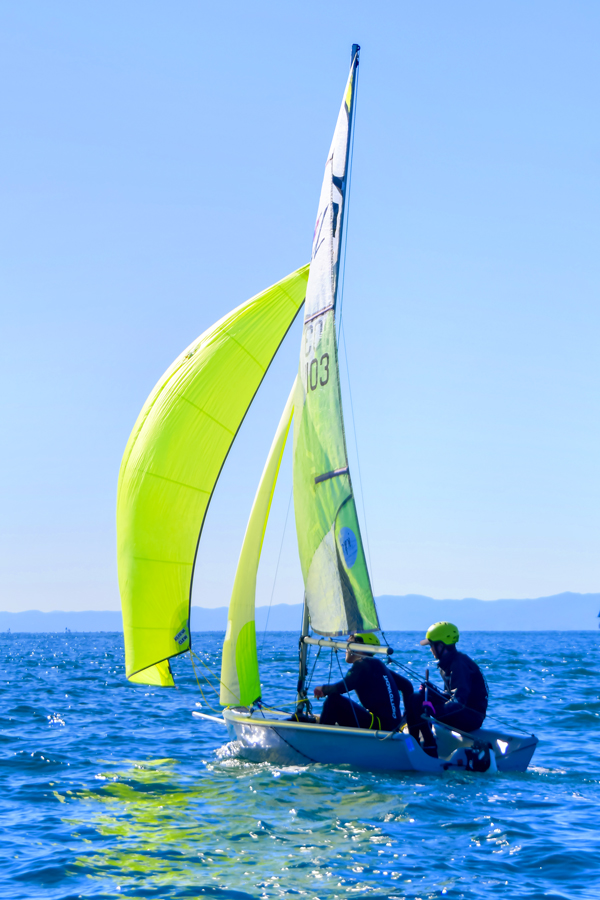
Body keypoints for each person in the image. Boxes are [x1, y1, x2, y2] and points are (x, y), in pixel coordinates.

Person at [390, 622, 488, 758]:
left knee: (418, 699)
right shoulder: (448, 663)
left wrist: (435, 710)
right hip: (461, 712)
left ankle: (429, 746)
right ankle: (414, 744)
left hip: (471, 718)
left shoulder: (459, 665)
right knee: (416, 697)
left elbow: (459, 702)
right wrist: (433, 692)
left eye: (431, 645)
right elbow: (451, 695)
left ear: (441, 645)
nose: (430, 649)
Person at [313, 633, 402, 731]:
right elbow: (408, 686)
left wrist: (324, 689)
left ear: (359, 645)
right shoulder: (378, 665)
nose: (346, 642)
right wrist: (408, 722)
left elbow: (346, 685)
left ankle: (320, 741)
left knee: (333, 701)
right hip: (391, 727)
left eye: (350, 640)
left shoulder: (363, 664)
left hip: (380, 727)